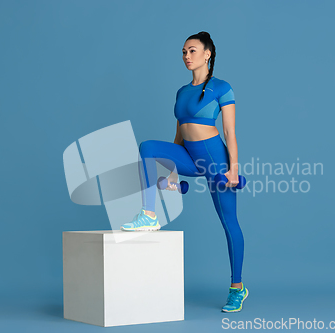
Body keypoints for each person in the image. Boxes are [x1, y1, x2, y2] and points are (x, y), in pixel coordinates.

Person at [121, 31, 248, 312]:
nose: (186, 56)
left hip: (216, 160)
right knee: (148, 147)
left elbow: (230, 132)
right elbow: (178, 135)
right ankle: (148, 215)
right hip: (189, 155)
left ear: (207, 54)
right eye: (183, 52)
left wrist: (234, 170)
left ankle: (237, 287)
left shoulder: (222, 87)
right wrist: (172, 171)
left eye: (192, 51)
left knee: (229, 223)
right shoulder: (181, 92)